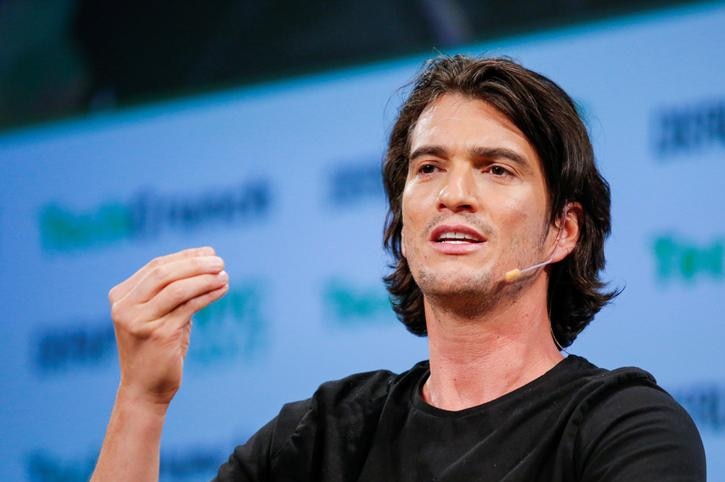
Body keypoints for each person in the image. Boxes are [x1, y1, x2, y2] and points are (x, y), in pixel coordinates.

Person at [91, 56, 705, 481]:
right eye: (429, 167)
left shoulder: (624, 428)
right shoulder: (320, 438)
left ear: (561, 231)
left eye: (497, 169)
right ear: (403, 224)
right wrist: (142, 400)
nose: (453, 193)